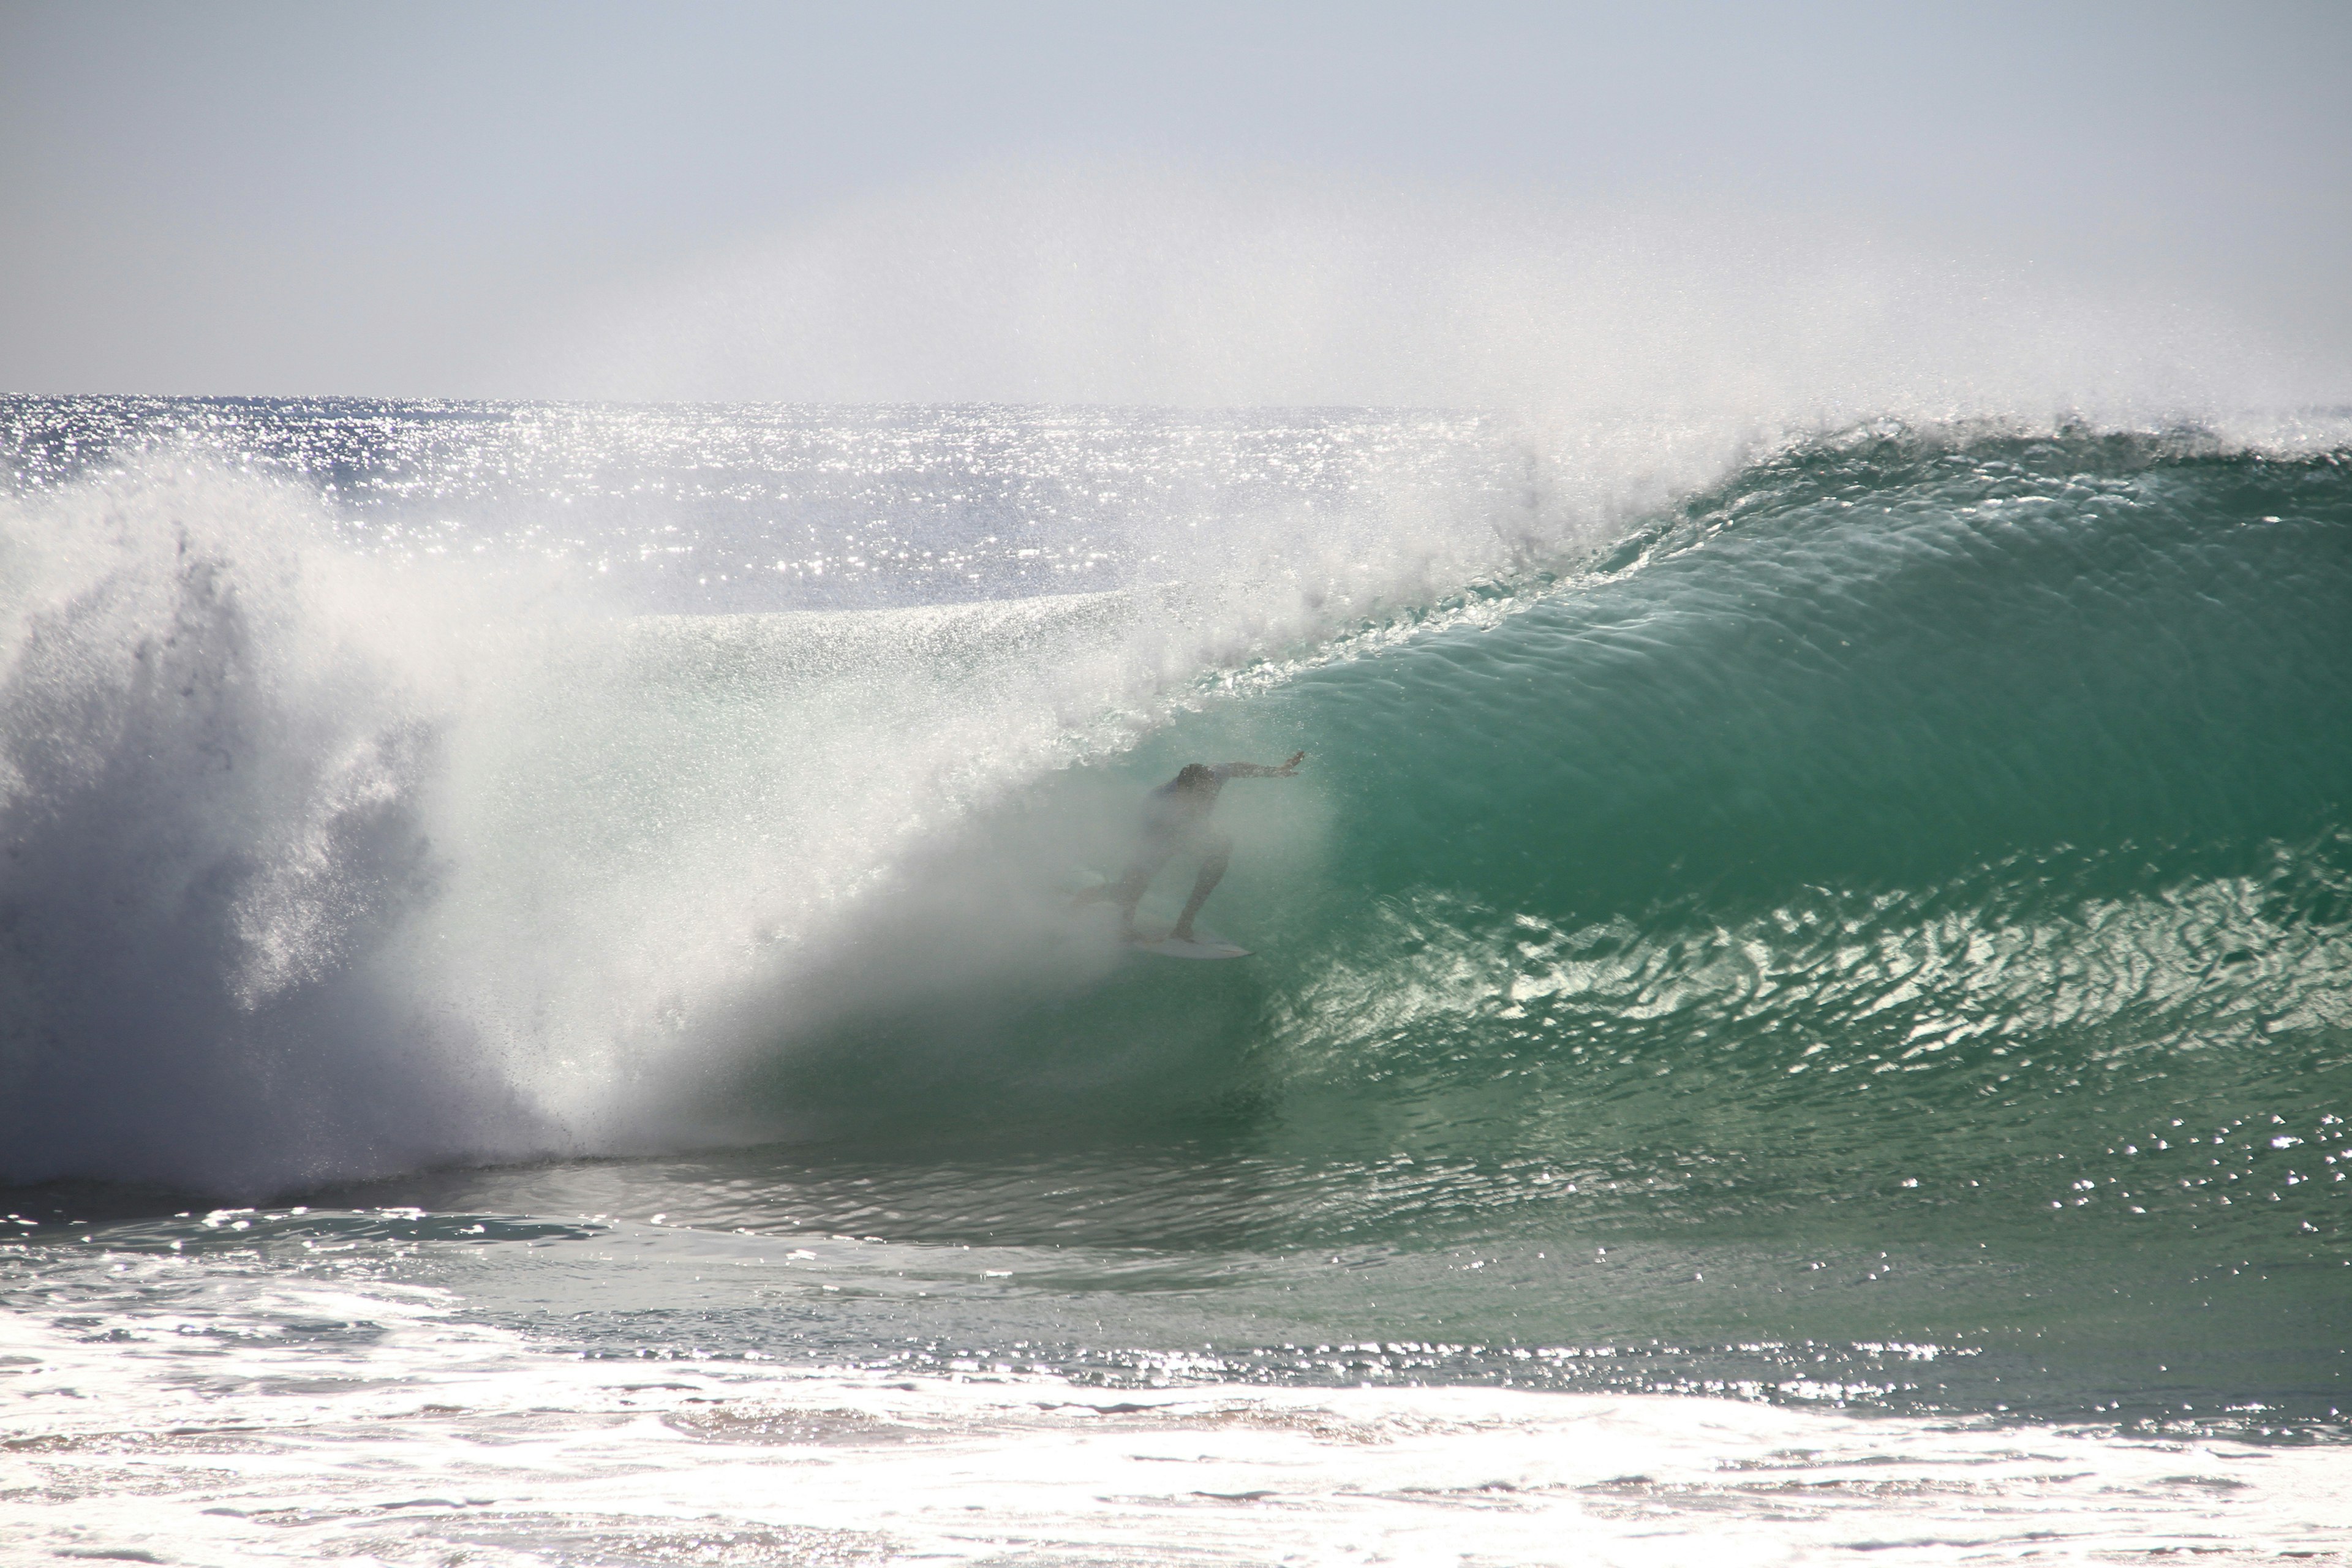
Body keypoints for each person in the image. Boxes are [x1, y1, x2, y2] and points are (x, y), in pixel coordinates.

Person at [1077, 752, 1306, 943]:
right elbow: (1143, 851)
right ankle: (1089, 901)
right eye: (1199, 795)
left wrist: (1275, 771)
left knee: (1222, 850)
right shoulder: (1159, 802)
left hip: (1190, 833)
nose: (1206, 798)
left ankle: (1184, 925)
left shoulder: (1213, 777)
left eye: (1208, 792)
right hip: (1158, 839)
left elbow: (1235, 767)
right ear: (1182, 790)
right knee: (1131, 889)